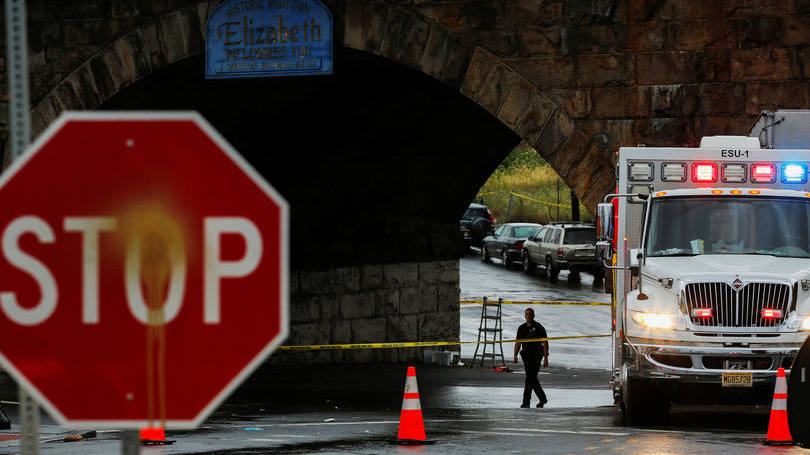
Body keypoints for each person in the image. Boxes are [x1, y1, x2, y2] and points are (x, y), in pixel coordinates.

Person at [513, 308, 549, 408]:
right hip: (526, 355)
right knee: (531, 378)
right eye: (527, 314)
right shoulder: (521, 328)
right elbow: (518, 343)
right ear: (525, 316)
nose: (528, 316)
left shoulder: (539, 327)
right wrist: (515, 355)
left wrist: (546, 358)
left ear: (533, 316)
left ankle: (527, 402)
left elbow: (545, 343)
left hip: (537, 355)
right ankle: (541, 399)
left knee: (530, 378)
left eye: (530, 314)